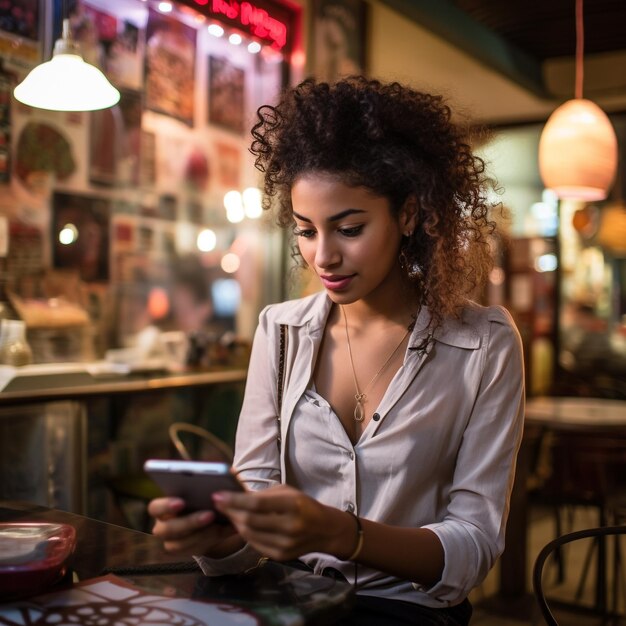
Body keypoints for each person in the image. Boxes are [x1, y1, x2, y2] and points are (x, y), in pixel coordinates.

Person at [148, 76, 525, 626]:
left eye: (349, 228)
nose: (322, 256)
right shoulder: (279, 331)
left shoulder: (484, 344)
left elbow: (474, 547)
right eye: (305, 230)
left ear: (410, 215)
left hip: (410, 613)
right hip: (287, 601)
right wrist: (221, 535)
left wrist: (341, 535)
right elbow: (250, 527)